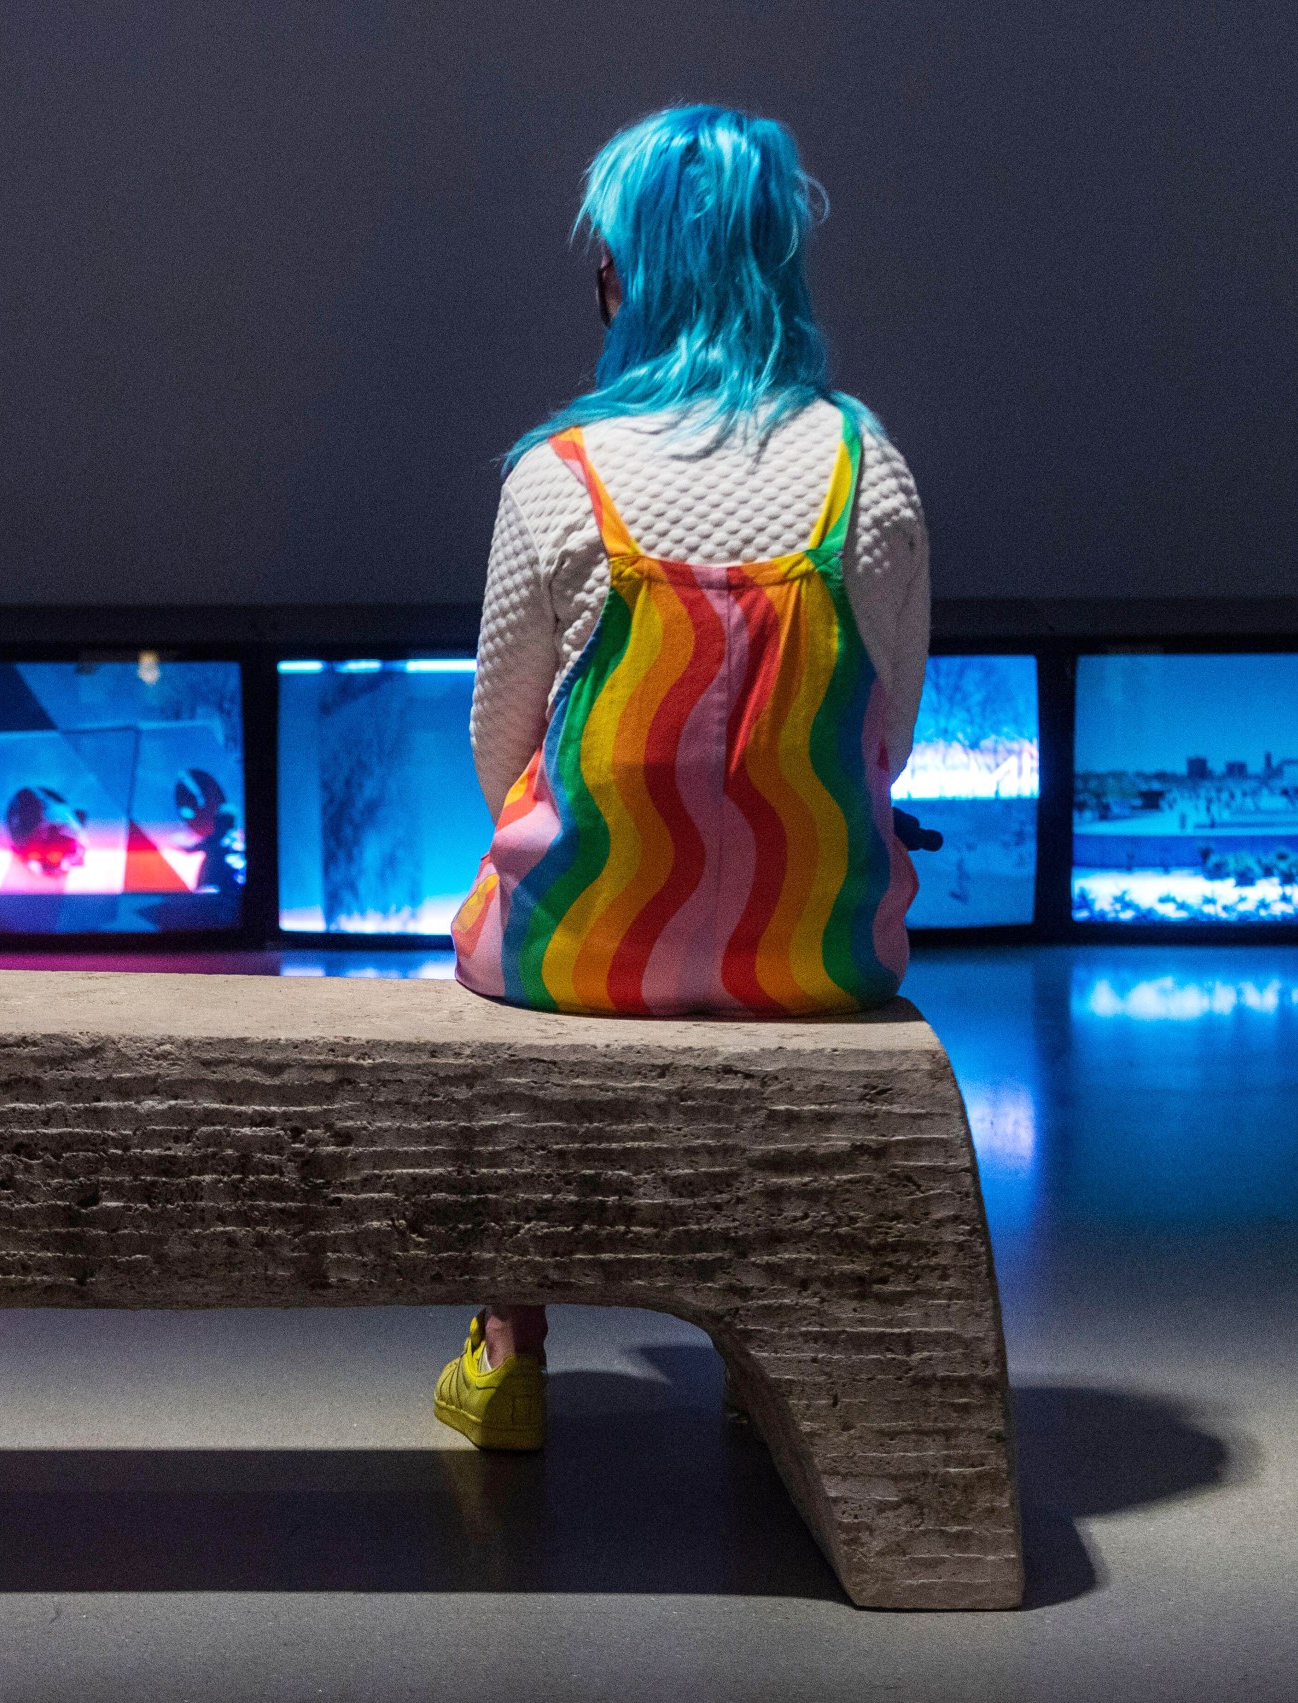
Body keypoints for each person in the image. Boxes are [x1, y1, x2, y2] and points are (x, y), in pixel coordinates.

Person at [433, 105, 931, 1452]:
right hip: (821, 948)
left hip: (579, 950)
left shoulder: (560, 475)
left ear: (626, 277)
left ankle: (509, 1343)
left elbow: (498, 742)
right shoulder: (863, 467)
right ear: (780, 265)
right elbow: (891, 733)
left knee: (483, 960)